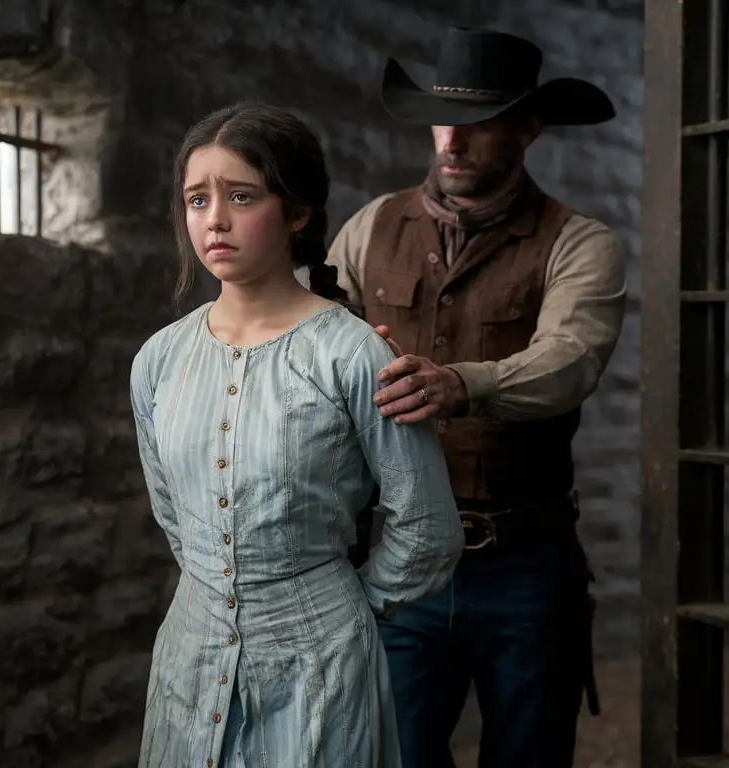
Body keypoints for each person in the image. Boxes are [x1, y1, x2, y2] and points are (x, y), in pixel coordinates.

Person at [130, 101, 465, 768]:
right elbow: (174, 513)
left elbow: (427, 525)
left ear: (298, 212)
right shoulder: (159, 360)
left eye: (241, 196)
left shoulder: (350, 354)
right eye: (197, 199)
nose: (215, 219)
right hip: (189, 660)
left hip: (322, 665)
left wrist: (339, 610)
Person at [327, 26, 627, 768]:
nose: (451, 140)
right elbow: (314, 351)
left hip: (524, 563)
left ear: (527, 127)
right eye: (440, 117)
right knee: (395, 755)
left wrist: (463, 383)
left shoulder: (579, 242)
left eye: (479, 120)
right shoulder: (370, 227)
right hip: (399, 558)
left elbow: (570, 360)